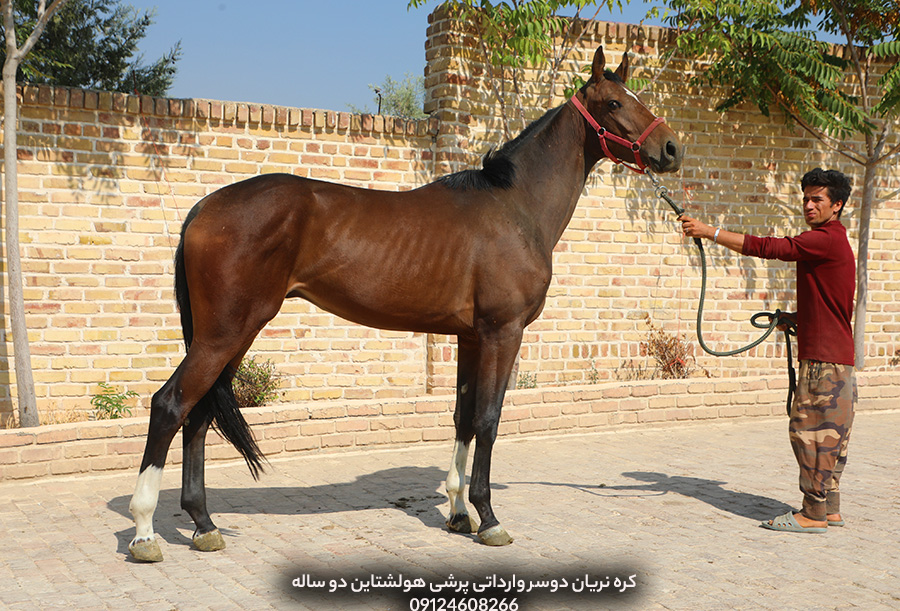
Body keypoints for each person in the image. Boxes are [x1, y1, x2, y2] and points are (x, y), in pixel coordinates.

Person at [680, 168, 856, 533]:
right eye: (805, 198)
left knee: (808, 432)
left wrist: (709, 232)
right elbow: (830, 303)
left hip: (824, 361)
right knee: (831, 433)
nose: (808, 205)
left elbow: (769, 248)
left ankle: (812, 515)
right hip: (835, 355)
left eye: (817, 200)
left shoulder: (823, 239)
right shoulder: (833, 240)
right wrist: (795, 318)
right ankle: (830, 509)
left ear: (837, 205)